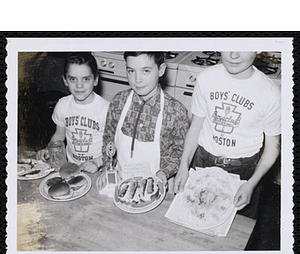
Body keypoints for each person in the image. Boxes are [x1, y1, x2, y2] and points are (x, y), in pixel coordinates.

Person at [174, 51, 281, 219]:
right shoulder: (206, 78)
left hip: (244, 172)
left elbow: (272, 148)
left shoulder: (271, 93)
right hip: (202, 162)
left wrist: (251, 184)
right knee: (194, 221)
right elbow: (195, 127)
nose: (233, 55)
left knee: (235, 235)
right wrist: (183, 166)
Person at [100, 51, 189, 187]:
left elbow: (179, 152)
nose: (137, 79)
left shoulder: (176, 111)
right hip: (119, 180)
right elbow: (108, 138)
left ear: (161, 70)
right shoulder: (118, 102)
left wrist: (164, 173)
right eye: (131, 71)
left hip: (157, 185)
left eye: (145, 71)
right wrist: (108, 166)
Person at [37, 52, 110, 173]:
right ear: (65, 80)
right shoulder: (62, 105)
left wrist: (97, 162)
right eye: (72, 79)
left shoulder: (106, 109)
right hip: (70, 168)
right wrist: (49, 149)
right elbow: (58, 136)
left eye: (86, 79)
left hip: (98, 170)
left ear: (95, 79)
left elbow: (114, 147)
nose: (79, 85)